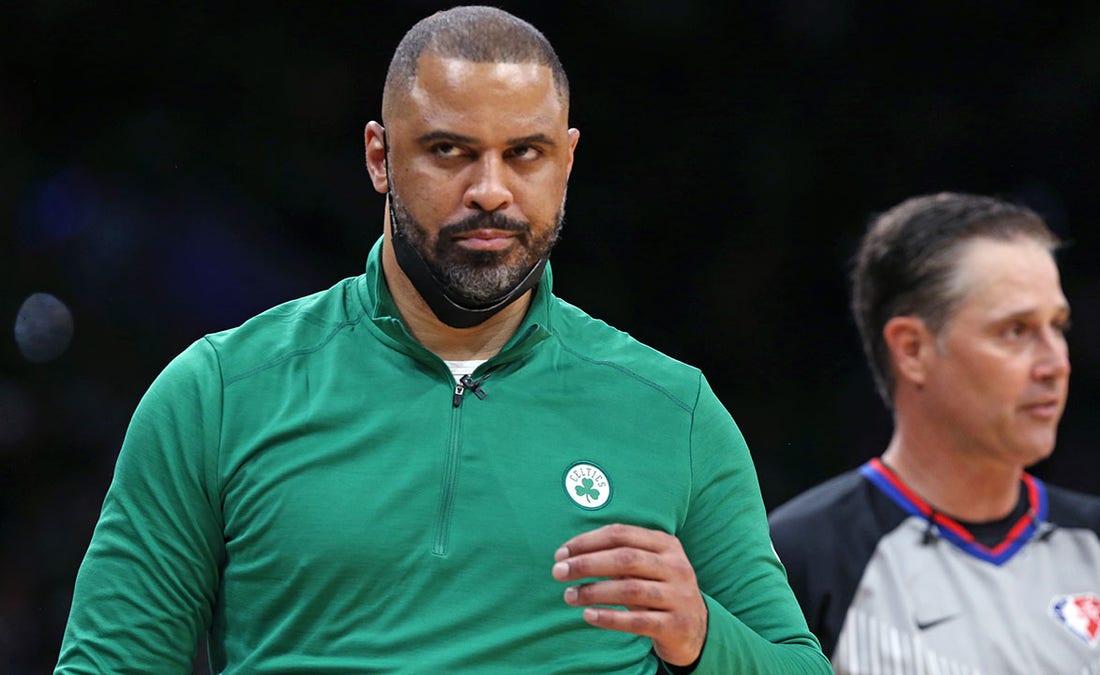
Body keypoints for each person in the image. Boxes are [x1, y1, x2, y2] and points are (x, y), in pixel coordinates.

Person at [55, 6, 831, 674]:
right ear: (379, 158)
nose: (489, 189)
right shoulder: (220, 391)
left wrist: (702, 636)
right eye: (449, 151)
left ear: (565, 163)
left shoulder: (672, 409)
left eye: (524, 153)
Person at [768, 192, 1100, 674]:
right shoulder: (796, 561)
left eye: (1058, 326)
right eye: (1015, 331)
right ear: (912, 350)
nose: (1056, 363)